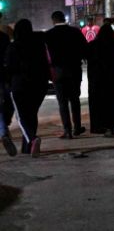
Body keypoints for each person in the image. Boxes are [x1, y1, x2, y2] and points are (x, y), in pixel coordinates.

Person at [3, 19, 51, 157]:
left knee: (21, 117)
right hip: (39, 85)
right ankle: (27, 147)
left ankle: (32, 139)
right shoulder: (39, 45)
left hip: (20, 85)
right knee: (31, 114)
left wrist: (8, 82)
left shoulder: (13, 47)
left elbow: (9, 68)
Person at [45, 10, 88, 139]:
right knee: (75, 100)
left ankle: (67, 130)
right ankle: (77, 127)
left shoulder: (49, 34)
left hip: (58, 72)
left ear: (53, 20)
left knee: (62, 102)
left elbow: (45, 55)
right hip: (74, 70)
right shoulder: (75, 32)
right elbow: (84, 49)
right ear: (64, 18)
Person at [87, 23, 114, 136]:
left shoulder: (93, 45)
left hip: (99, 82)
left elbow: (88, 60)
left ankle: (104, 126)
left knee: (101, 104)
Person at [0, 13, 15, 156]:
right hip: (4, 76)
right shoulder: (4, 37)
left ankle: (4, 132)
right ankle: (4, 131)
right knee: (8, 104)